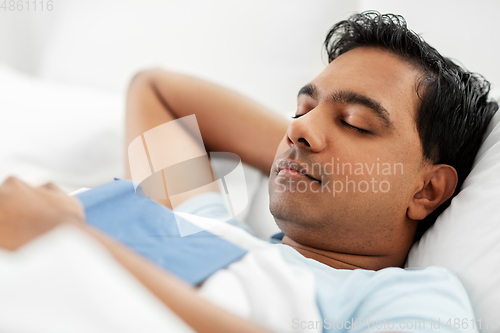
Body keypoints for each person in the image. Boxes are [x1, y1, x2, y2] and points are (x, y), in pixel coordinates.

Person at [0, 11, 497, 333]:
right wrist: (307, 150)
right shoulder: (203, 222)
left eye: (357, 123)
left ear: (428, 189)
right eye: (300, 110)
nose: (298, 129)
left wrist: (70, 240)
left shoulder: (409, 295)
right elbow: (158, 92)